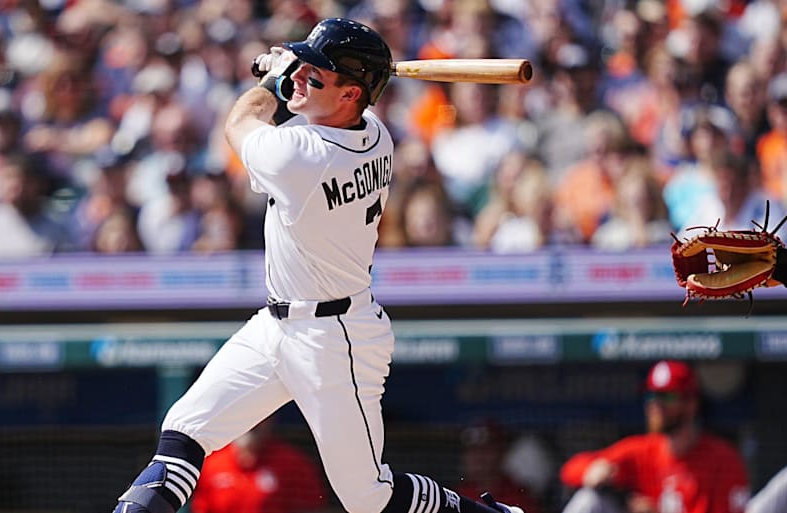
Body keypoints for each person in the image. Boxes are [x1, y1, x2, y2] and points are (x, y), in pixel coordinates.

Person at [112, 17, 523, 513]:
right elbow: (316, 111)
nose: (304, 74)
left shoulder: (302, 157)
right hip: (276, 326)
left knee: (368, 497)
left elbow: (240, 122)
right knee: (183, 431)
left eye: (317, 74)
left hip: (336, 338)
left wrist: (272, 82)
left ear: (351, 94)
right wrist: (303, 75)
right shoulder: (375, 133)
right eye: (306, 66)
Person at [559, 360, 750, 513]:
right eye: (651, 396)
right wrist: (591, 471)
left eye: (666, 397)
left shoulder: (723, 459)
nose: (655, 405)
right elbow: (570, 470)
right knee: (590, 499)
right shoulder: (641, 450)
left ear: (691, 404)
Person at [191, 417, 327, 513]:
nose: (251, 425)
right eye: (245, 417)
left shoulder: (292, 462)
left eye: (257, 418)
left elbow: (310, 508)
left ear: (270, 420)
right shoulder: (211, 463)